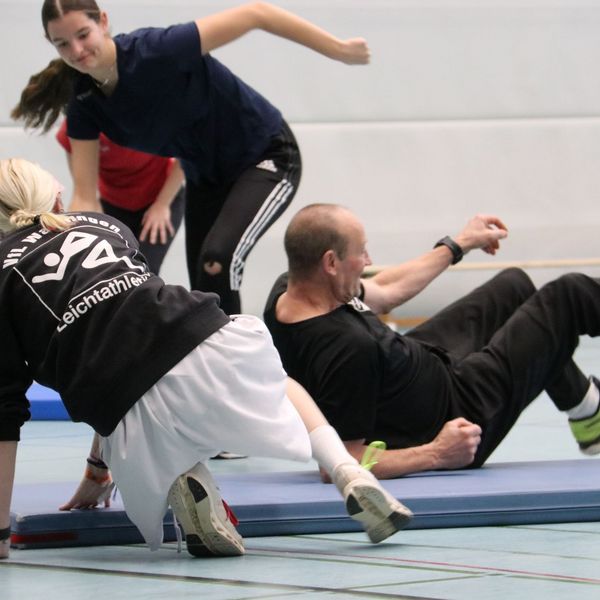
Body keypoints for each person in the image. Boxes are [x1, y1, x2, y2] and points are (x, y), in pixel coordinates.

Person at [0, 160, 412, 561]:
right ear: (57, 200)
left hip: (124, 410)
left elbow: (10, 406)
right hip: (206, 345)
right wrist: (96, 467)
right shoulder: (104, 225)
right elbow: (128, 324)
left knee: (152, 436)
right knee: (280, 384)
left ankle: (186, 478)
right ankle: (346, 470)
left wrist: (4, 531)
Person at [11, 0, 370, 314]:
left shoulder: (157, 51)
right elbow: (85, 196)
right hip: (206, 177)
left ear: (103, 22)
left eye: (83, 34)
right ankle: (220, 359)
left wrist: (338, 49)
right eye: (62, 43)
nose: (76, 50)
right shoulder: (84, 102)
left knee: (219, 259)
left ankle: (243, 354)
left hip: (265, 154)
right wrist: (76, 255)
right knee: (204, 284)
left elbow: (256, 13)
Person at [263, 203, 600, 480]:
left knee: (514, 286)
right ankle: (590, 414)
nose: (368, 261)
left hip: (420, 366)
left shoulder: (293, 290)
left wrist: (458, 244)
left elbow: (385, 290)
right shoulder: (346, 350)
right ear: (330, 263)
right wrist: (437, 453)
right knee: (569, 295)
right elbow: (340, 460)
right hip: (460, 412)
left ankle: (587, 411)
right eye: (361, 252)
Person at [56, 119, 185, 275]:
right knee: (108, 268)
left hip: (161, 196)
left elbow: (186, 152)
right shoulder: (82, 121)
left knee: (145, 269)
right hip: (112, 202)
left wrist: (162, 204)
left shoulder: (157, 116)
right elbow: (83, 192)